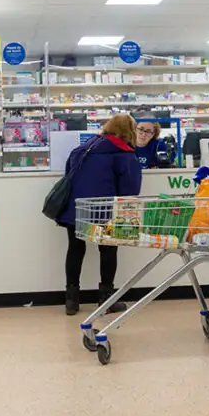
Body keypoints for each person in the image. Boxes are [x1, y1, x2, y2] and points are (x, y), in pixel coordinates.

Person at [56, 114, 143, 316]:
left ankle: (71, 300)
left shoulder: (83, 148)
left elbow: (69, 174)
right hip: (105, 210)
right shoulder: (124, 153)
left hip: (76, 208)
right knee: (108, 251)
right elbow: (131, 189)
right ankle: (106, 299)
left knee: (75, 249)